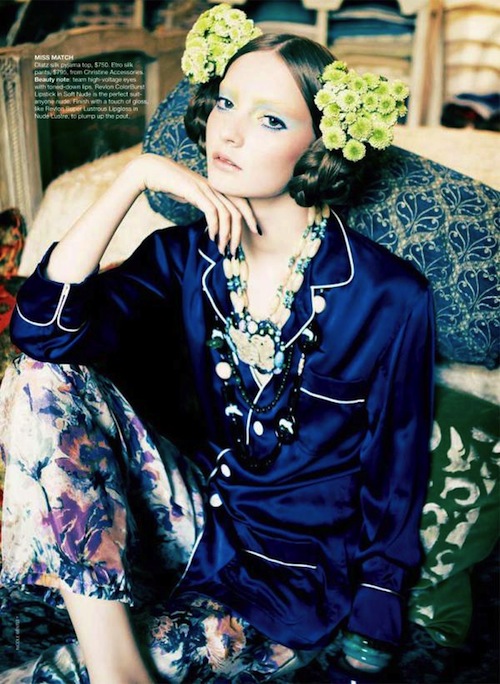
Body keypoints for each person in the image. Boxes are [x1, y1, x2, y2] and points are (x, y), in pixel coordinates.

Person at [0, 4, 435, 683]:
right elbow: (42, 333)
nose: (228, 131)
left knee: (46, 678)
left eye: (270, 119)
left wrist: (374, 626)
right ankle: (118, 671)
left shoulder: (389, 294)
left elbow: (395, 467)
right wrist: (134, 177)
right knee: (39, 376)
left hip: (287, 577)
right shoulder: (179, 258)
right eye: (226, 103)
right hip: (180, 523)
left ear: (319, 146)